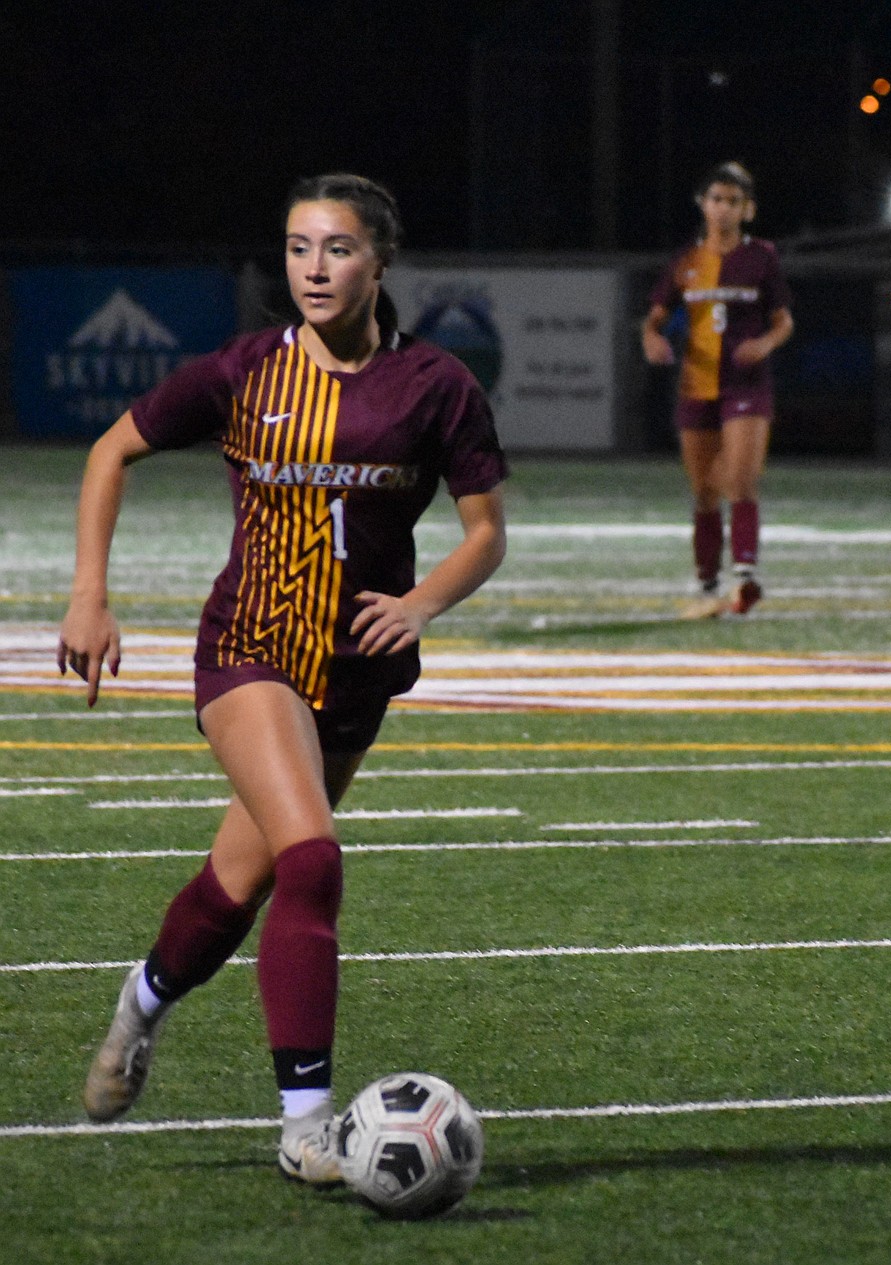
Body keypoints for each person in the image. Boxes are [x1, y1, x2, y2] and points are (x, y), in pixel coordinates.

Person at [56, 173, 508, 1186]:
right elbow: (109, 450)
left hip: (356, 675)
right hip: (248, 652)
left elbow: (487, 533)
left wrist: (423, 602)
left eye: (338, 248)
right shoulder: (245, 371)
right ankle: (306, 1120)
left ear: (380, 261)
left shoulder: (437, 385)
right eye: (300, 246)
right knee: (313, 859)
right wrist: (91, 593)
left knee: (238, 883)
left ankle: (140, 1004)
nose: (314, 267)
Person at [641, 161, 794, 618]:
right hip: (696, 383)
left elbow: (784, 321)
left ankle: (746, 576)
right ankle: (708, 585)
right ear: (703, 205)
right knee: (704, 489)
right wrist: (651, 338)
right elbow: (654, 316)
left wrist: (764, 344)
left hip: (746, 386)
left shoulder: (761, 258)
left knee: (741, 480)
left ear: (747, 209)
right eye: (716, 200)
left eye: (733, 201)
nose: (723, 209)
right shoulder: (687, 262)